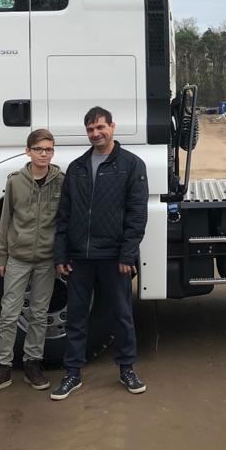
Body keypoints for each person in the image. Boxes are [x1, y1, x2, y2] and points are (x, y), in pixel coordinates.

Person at [51, 106, 149, 400]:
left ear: (112, 127)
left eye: (100, 127)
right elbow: (64, 215)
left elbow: (137, 214)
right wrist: (61, 255)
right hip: (80, 258)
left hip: (113, 257)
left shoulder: (131, 165)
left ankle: (127, 369)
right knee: (76, 318)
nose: (96, 133)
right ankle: (72, 373)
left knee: (122, 315)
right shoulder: (77, 167)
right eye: (90, 129)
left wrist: (127, 254)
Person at [0, 129, 63, 397]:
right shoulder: (15, 182)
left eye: (48, 149)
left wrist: (62, 256)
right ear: (28, 151)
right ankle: (2, 366)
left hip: (46, 260)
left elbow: (64, 223)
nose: (44, 154)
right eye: (38, 149)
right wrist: (2, 256)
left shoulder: (61, 182)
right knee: (9, 313)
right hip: (18, 259)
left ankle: (32, 363)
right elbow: (5, 222)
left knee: (38, 314)